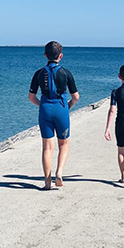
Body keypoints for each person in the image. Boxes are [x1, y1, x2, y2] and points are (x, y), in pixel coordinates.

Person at [28, 41, 79, 190]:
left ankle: (47, 182)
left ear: (45, 55)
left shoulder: (38, 73)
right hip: (61, 107)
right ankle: (60, 172)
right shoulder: (66, 73)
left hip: (45, 108)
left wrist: (42, 105)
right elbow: (75, 97)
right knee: (63, 144)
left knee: (47, 148)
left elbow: (31, 97)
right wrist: (68, 107)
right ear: (61, 56)